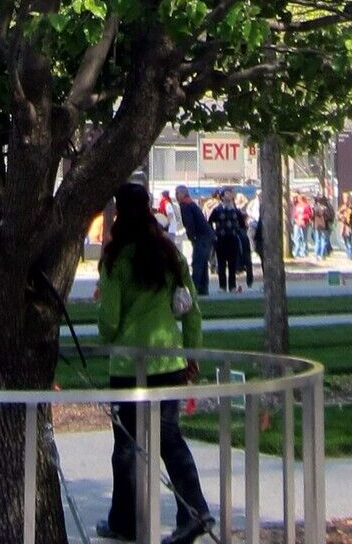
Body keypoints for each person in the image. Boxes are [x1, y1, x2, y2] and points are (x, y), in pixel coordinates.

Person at [94, 182, 212, 544]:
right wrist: (191, 353)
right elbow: (190, 310)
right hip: (168, 361)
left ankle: (126, 521)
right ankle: (194, 510)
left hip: (129, 367)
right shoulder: (169, 255)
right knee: (170, 439)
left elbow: (110, 323)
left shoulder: (116, 259)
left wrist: (106, 330)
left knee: (127, 446)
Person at [175, 185, 214, 295]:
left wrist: (192, 237)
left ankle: (193, 289)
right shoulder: (191, 203)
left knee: (197, 263)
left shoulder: (185, 205)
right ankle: (203, 288)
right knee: (203, 263)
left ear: (183, 194)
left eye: (177, 193)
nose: (176, 196)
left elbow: (189, 223)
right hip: (208, 236)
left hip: (201, 237)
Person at [208, 188, 247, 292]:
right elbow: (209, 222)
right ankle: (222, 286)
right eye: (226, 194)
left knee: (232, 264)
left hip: (233, 239)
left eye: (230, 194)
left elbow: (243, 225)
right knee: (221, 264)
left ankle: (232, 286)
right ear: (222, 196)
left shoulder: (236, 211)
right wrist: (214, 234)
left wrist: (238, 232)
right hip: (220, 239)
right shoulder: (217, 210)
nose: (229, 196)